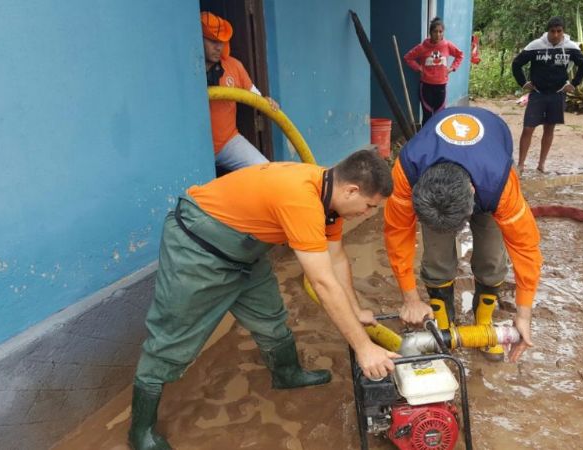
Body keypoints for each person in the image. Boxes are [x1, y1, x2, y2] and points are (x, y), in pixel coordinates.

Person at [128, 150, 400, 450]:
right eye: (369, 206)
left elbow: (335, 259)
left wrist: (356, 309)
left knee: (270, 315)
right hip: (198, 247)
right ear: (352, 190)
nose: (368, 213)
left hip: (246, 249)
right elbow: (321, 282)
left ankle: (287, 374)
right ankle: (141, 432)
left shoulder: (330, 201)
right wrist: (363, 348)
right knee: (172, 337)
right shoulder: (301, 198)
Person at [384, 106, 542, 363]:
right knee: (436, 257)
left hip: (489, 160)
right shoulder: (407, 170)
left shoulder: (501, 185)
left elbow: (527, 250)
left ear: (472, 192)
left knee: (492, 256)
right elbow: (397, 234)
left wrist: (523, 316)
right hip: (441, 175)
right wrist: (410, 298)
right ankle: (444, 325)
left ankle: (483, 321)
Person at [201, 12, 278, 174]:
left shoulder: (234, 66)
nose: (218, 47)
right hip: (195, 149)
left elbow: (255, 96)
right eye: (213, 41)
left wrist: (267, 102)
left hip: (227, 143)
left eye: (221, 42)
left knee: (266, 170)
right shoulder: (190, 70)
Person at [512, 16, 583, 174]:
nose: (555, 34)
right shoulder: (535, 45)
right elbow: (517, 64)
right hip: (538, 93)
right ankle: (520, 164)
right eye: (552, 31)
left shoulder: (570, 47)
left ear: (563, 31)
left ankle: (541, 164)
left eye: (559, 31)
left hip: (557, 94)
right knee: (528, 128)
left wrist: (573, 84)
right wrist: (523, 83)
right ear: (548, 31)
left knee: (549, 129)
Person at [404, 17, 464, 126]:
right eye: (435, 31)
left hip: (441, 87)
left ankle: (437, 140)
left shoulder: (447, 45)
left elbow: (460, 55)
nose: (438, 34)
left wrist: (452, 68)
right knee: (427, 116)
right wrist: (418, 68)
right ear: (430, 32)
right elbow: (408, 58)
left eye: (440, 32)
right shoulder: (423, 47)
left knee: (440, 116)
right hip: (426, 87)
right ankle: (425, 140)